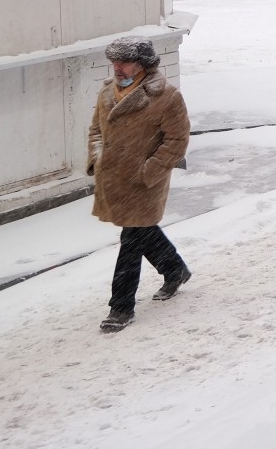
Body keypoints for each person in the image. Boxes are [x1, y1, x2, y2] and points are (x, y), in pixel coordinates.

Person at [87, 36, 191, 334]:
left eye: (125, 62)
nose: (118, 68)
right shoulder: (107, 92)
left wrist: (150, 170)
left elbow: (177, 140)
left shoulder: (166, 97)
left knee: (130, 241)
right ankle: (175, 269)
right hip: (114, 179)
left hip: (144, 182)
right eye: (114, 62)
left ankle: (120, 307)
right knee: (142, 231)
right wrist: (97, 158)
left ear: (144, 65)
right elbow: (96, 129)